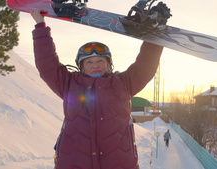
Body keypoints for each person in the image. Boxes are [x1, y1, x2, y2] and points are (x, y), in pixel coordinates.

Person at [30, 9, 163, 169]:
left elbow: (145, 65)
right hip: (74, 164)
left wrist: (154, 37)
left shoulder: (124, 83)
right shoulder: (68, 84)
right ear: (82, 67)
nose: (95, 65)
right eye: (89, 62)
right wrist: (40, 26)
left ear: (108, 64)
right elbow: (47, 64)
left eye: (100, 60)